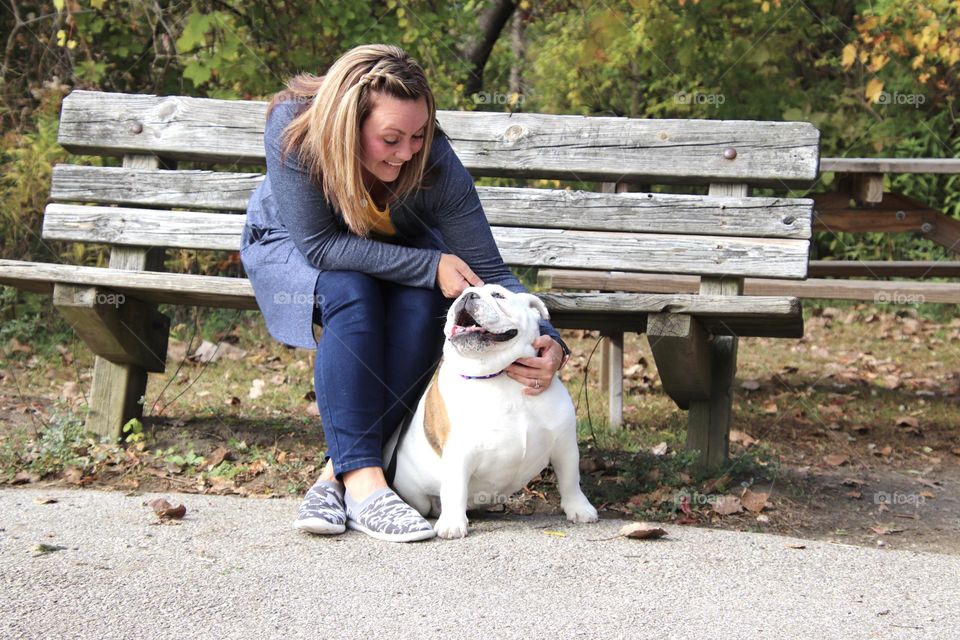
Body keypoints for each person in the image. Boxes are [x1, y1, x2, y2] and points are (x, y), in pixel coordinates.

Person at [240, 44, 570, 543]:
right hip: (296, 244)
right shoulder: (295, 127)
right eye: (390, 139)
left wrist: (551, 339)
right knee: (351, 290)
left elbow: (487, 268)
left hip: (394, 254)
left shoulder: (433, 160)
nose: (407, 152)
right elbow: (320, 244)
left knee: (423, 302)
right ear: (348, 125)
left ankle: (335, 479)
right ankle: (367, 486)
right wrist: (428, 264)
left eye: (418, 135)